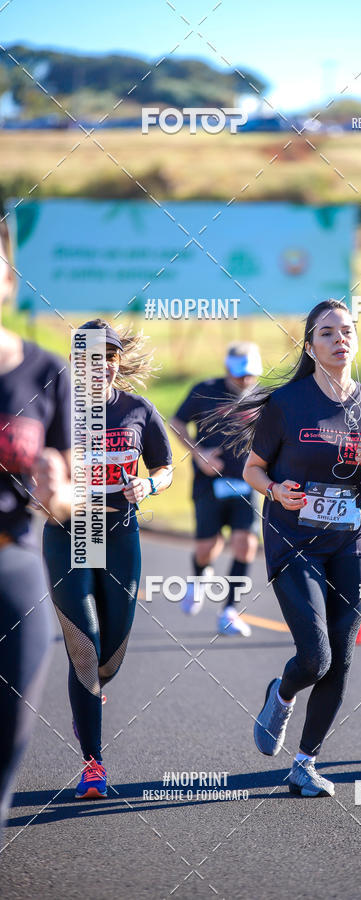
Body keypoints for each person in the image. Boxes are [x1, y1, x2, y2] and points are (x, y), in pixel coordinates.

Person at [230, 300, 361, 797]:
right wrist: (276, 490)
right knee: (316, 656)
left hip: (352, 539)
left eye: (347, 331)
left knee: (341, 656)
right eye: (327, 333)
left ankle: (305, 762)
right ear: (310, 346)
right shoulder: (287, 403)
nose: (339, 339)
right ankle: (280, 695)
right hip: (293, 537)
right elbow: (252, 469)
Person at [43, 319, 173, 800]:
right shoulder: (57, 409)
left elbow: (166, 466)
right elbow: (22, 462)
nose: (101, 366)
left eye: (110, 356)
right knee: (86, 647)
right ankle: (93, 764)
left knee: (110, 658)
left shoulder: (139, 409)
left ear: (118, 361)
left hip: (118, 533)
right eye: (90, 357)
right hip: (69, 533)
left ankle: (90, 702)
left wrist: (150, 484)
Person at [0, 217, 72, 829]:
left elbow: (67, 503)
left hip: (12, 564)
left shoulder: (45, 372)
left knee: (6, 736)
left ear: (8, 280)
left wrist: (56, 493)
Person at [169, 342, 262, 636]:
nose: (245, 380)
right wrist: (199, 454)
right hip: (209, 484)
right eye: (239, 375)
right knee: (207, 548)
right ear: (227, 369)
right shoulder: (204, 390)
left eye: (250, 375)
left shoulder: (263, 398)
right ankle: (198, 578)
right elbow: (176, 423)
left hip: (246, 484)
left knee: (245, 543)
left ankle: (230, 610)